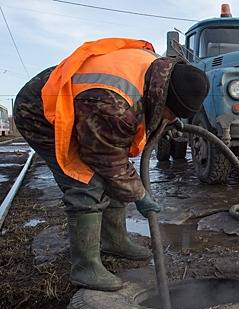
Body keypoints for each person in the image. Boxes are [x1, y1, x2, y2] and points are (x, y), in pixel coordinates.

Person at [13, 38, 208, 291]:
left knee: (113, 177)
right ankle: (85, 267)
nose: (171, 119)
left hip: (83, 107)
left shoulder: (157, 73)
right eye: (173, 113)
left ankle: (113, 240)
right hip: (41, 112)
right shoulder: (113, 104)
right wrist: (139, 194)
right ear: (164, 99)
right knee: (86, 181)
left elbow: (117, 154)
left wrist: (167, 120)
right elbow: (106, 158)